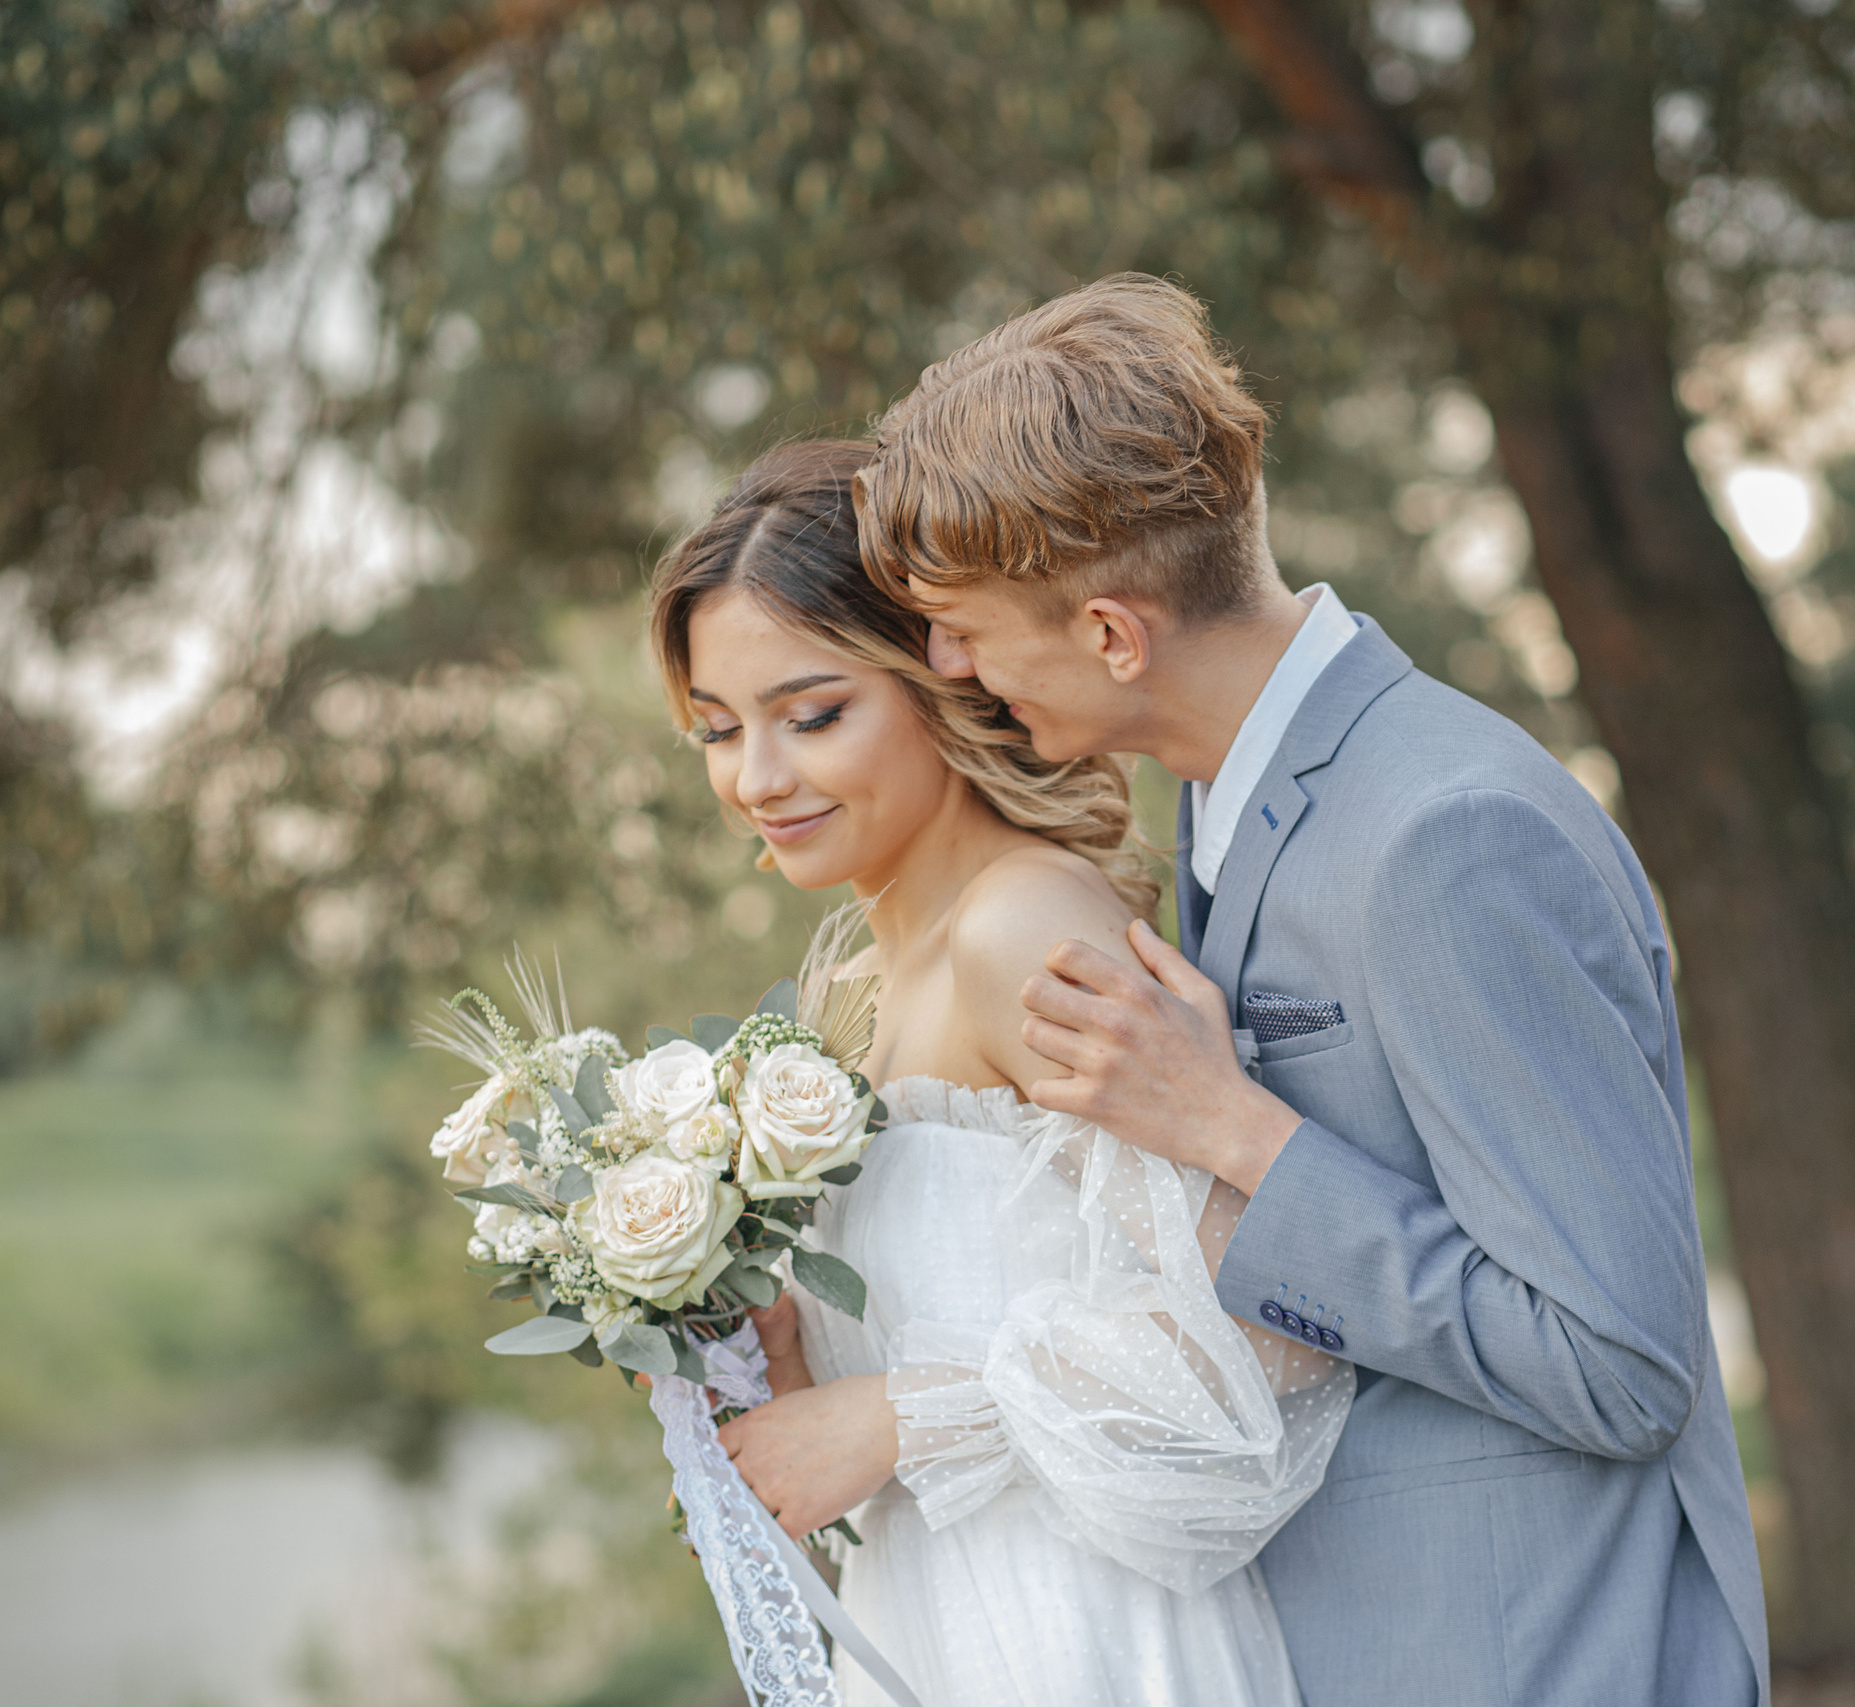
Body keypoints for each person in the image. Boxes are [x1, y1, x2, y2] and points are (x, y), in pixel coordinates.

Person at [851, 274, 1773, 1706]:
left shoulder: (1447, 835)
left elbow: (1624, 1363)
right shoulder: (1227, 809)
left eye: (966, 625)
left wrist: (1239, 1133)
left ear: (1109, 633)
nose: (948, 666)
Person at [646, 438, 1353, 1707]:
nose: (757, 779)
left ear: (942, 681)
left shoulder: (1022, 929)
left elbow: (1270, 1341)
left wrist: (897, 1421)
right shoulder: (847, 984)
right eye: (717, 728)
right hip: (924, 1629)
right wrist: (790, 1370)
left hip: (1082, 1640)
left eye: (812, 716)